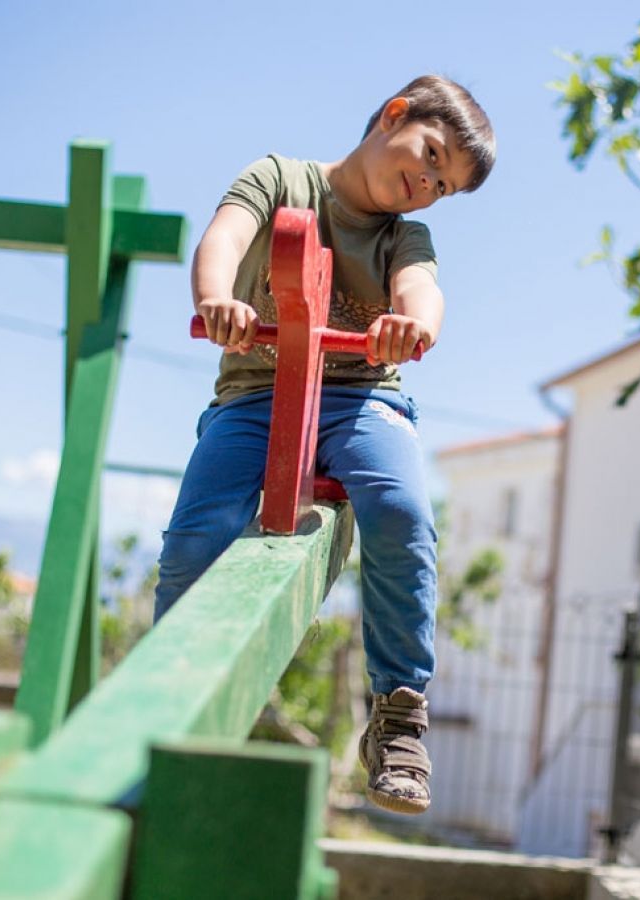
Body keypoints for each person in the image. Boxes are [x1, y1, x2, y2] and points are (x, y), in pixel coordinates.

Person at [154, 75, 495, 816]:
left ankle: (400, 713)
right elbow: (226, 236)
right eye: (430, 155)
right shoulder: (281, 179)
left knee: (402, 511)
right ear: (394, 115)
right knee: (196, 534)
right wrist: (217, 298)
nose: (428, 183)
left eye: (444, 185)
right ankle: (169, 693)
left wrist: (416, 326)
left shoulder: (406, 236)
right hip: (256, 390)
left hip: (364, 396)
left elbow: (422, 292)